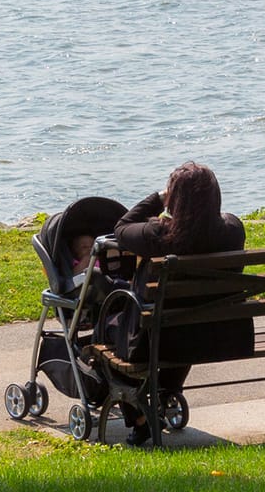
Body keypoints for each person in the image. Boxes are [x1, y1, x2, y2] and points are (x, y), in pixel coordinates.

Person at [103, 162, 252, 444]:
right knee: (180, 327)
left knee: (103, 335)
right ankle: (166, 392)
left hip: (156, 340)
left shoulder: (158, 235)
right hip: (214, 335)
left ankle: (138, 416)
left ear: (174, 199)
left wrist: (159, 197)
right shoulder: (232, 229)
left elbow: (121, 226)